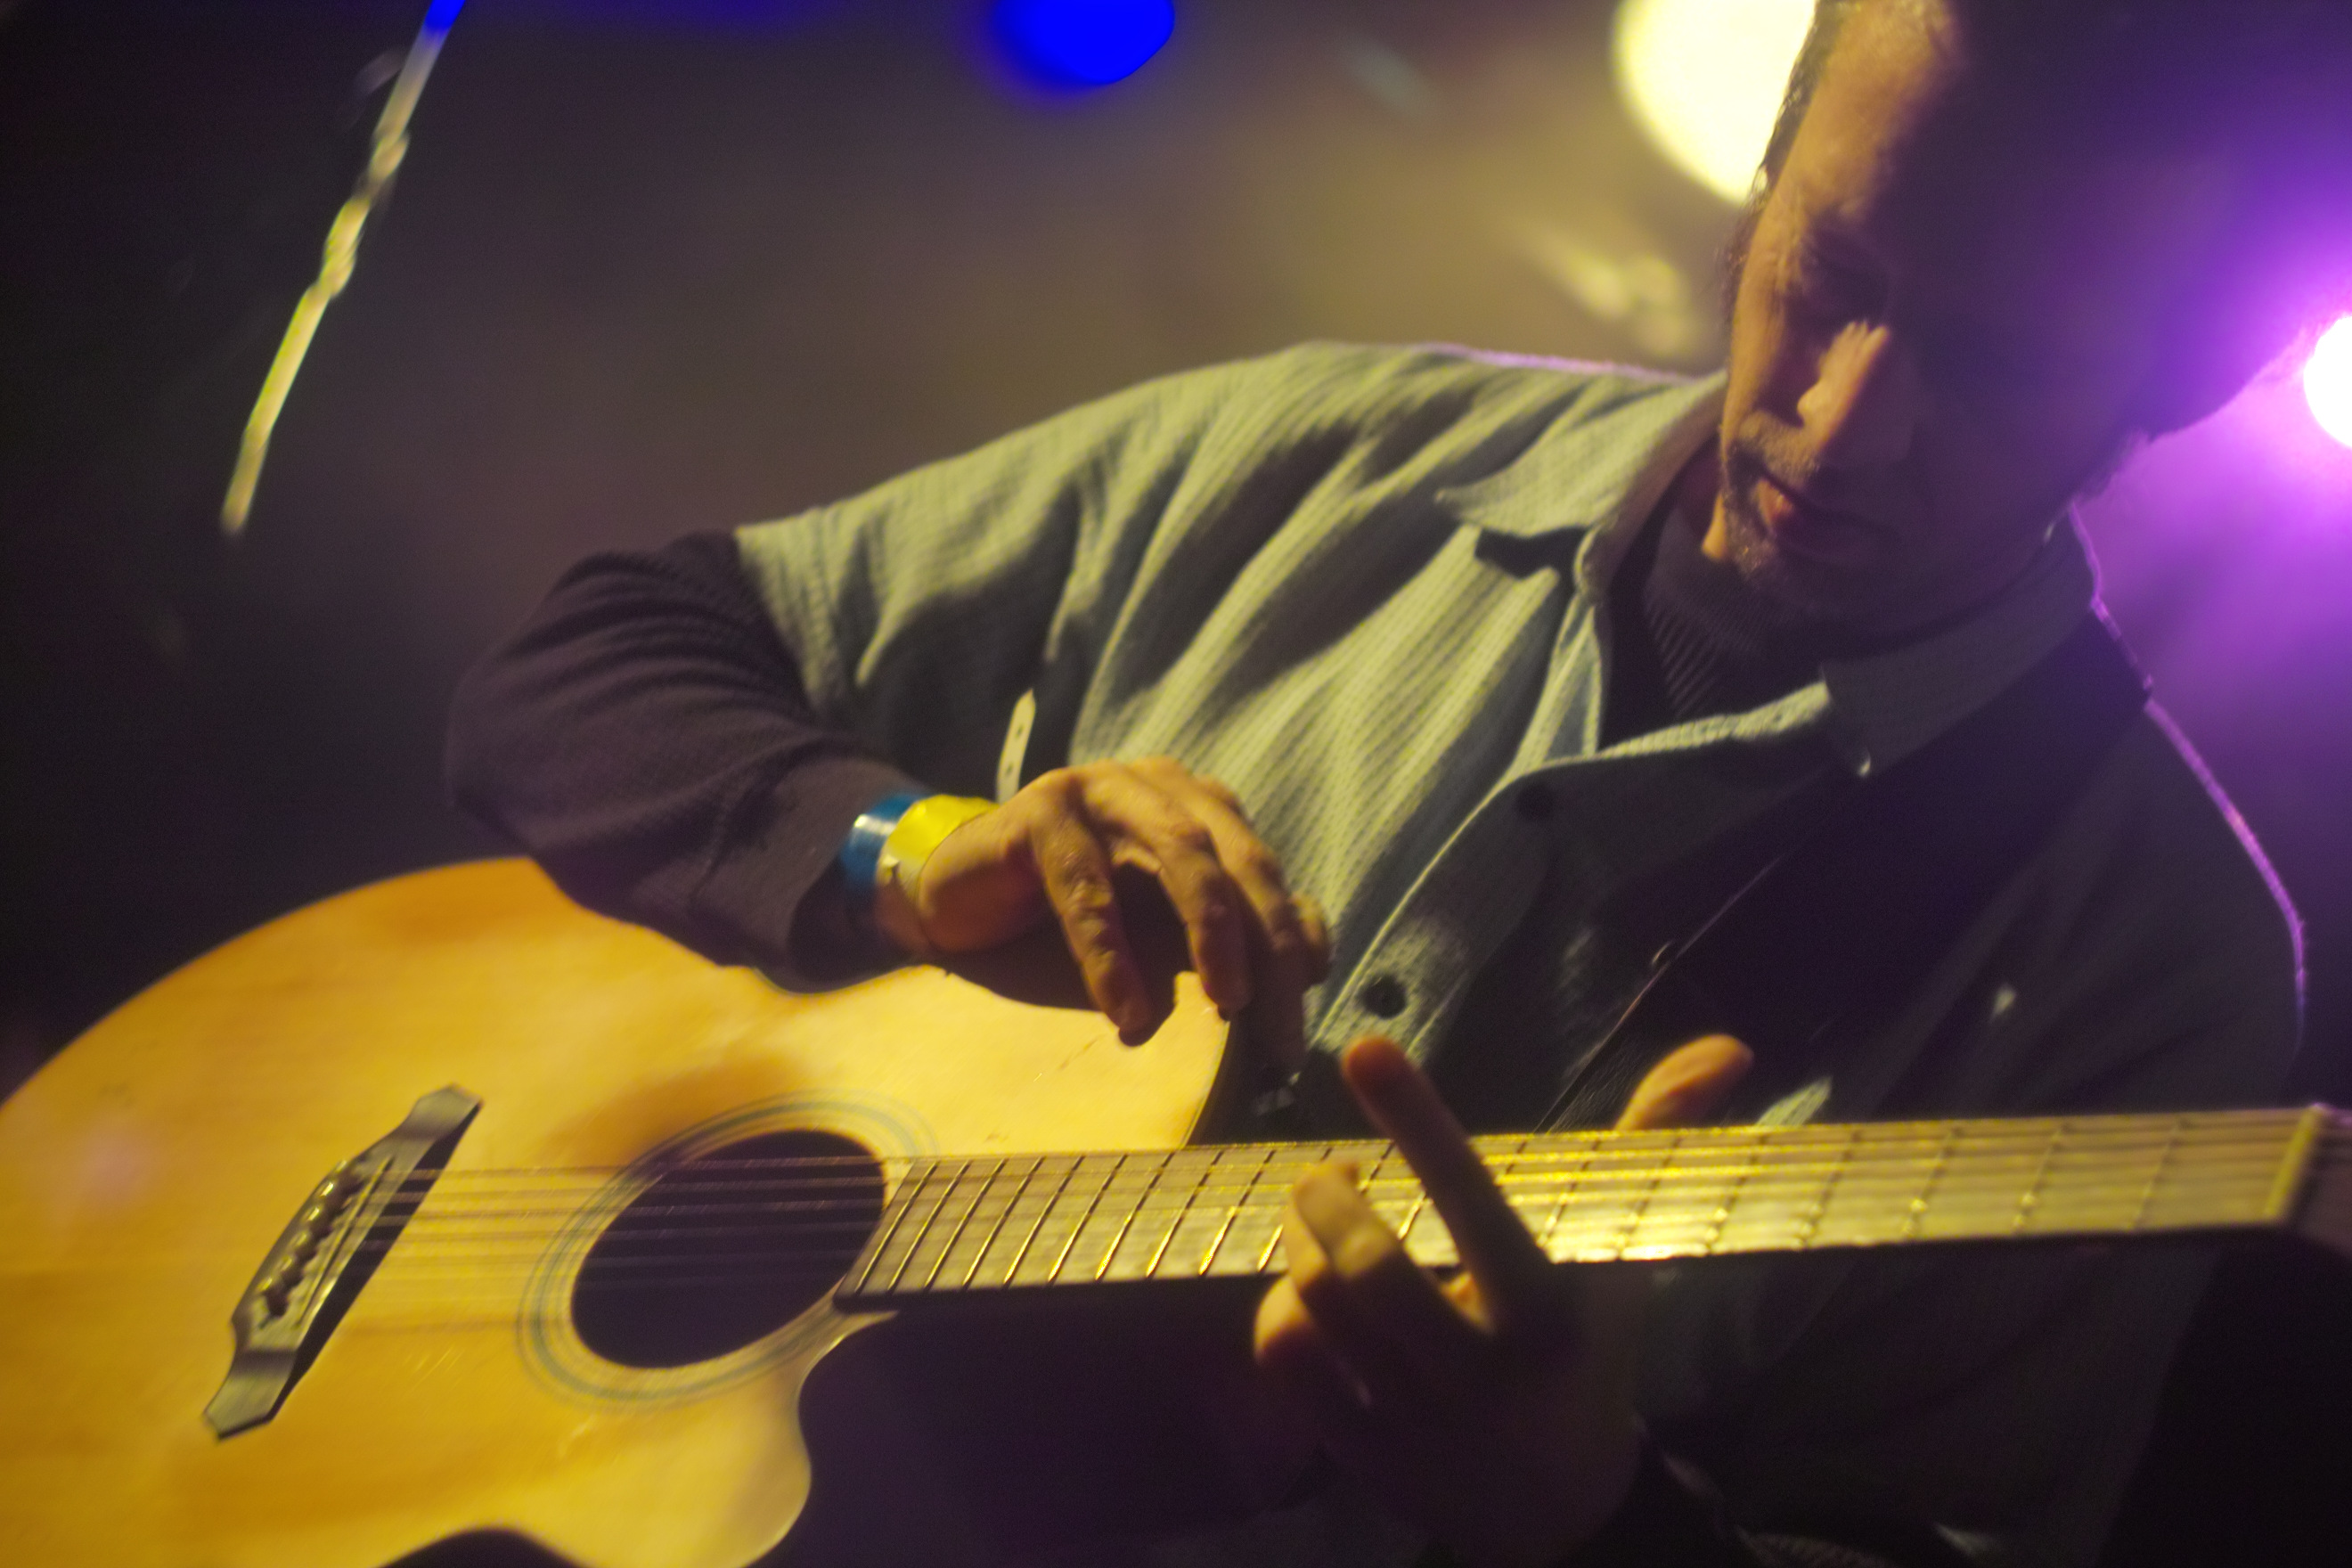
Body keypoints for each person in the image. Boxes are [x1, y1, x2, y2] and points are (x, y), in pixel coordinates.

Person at [447, 2, 2348, 1564]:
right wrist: (912, 851)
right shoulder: (1329, 448)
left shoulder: (2154, 954)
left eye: (1998, 365)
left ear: (2182, 380)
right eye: (1829, 268)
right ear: (1773, 155)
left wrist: (1587, 1520)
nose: (1845, 421)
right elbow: (581, 664)